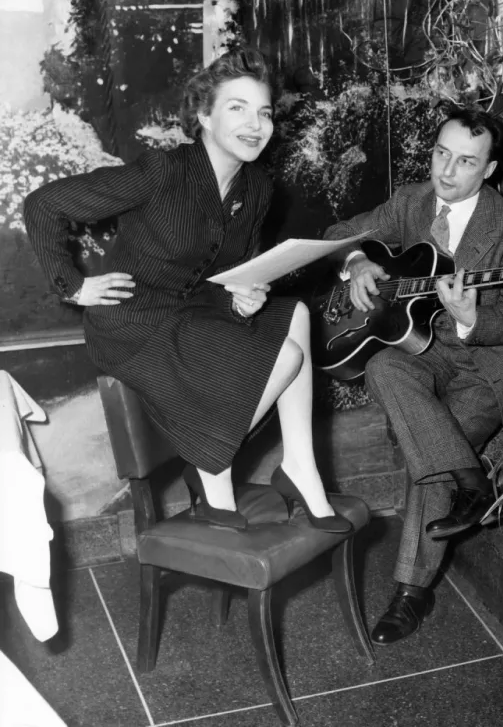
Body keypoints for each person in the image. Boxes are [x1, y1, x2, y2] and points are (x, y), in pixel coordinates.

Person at [24, 46, 351, 535]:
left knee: (297, 314)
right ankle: (210, 466)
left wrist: (245, 297)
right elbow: (43, 204)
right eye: (237, 108)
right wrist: (72, 286)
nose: (255, 124)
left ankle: (300, 466)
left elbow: (234, 270)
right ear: (204, 116)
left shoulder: (257, 189)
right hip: (133, 322)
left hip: (195, 311)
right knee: (285, 358)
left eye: (264, 112)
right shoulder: (163, 170)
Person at [323, 107, 503, 643]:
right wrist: (358, 262)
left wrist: (473, 317)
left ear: (490, 169)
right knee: (382, 364)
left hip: (490, 365)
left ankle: (411, 592)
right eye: (440, 154)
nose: (446, 172)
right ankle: (472, 480)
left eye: (465, 162)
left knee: (430, 446)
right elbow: (338, 234)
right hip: (426, 348)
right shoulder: (411, 201)